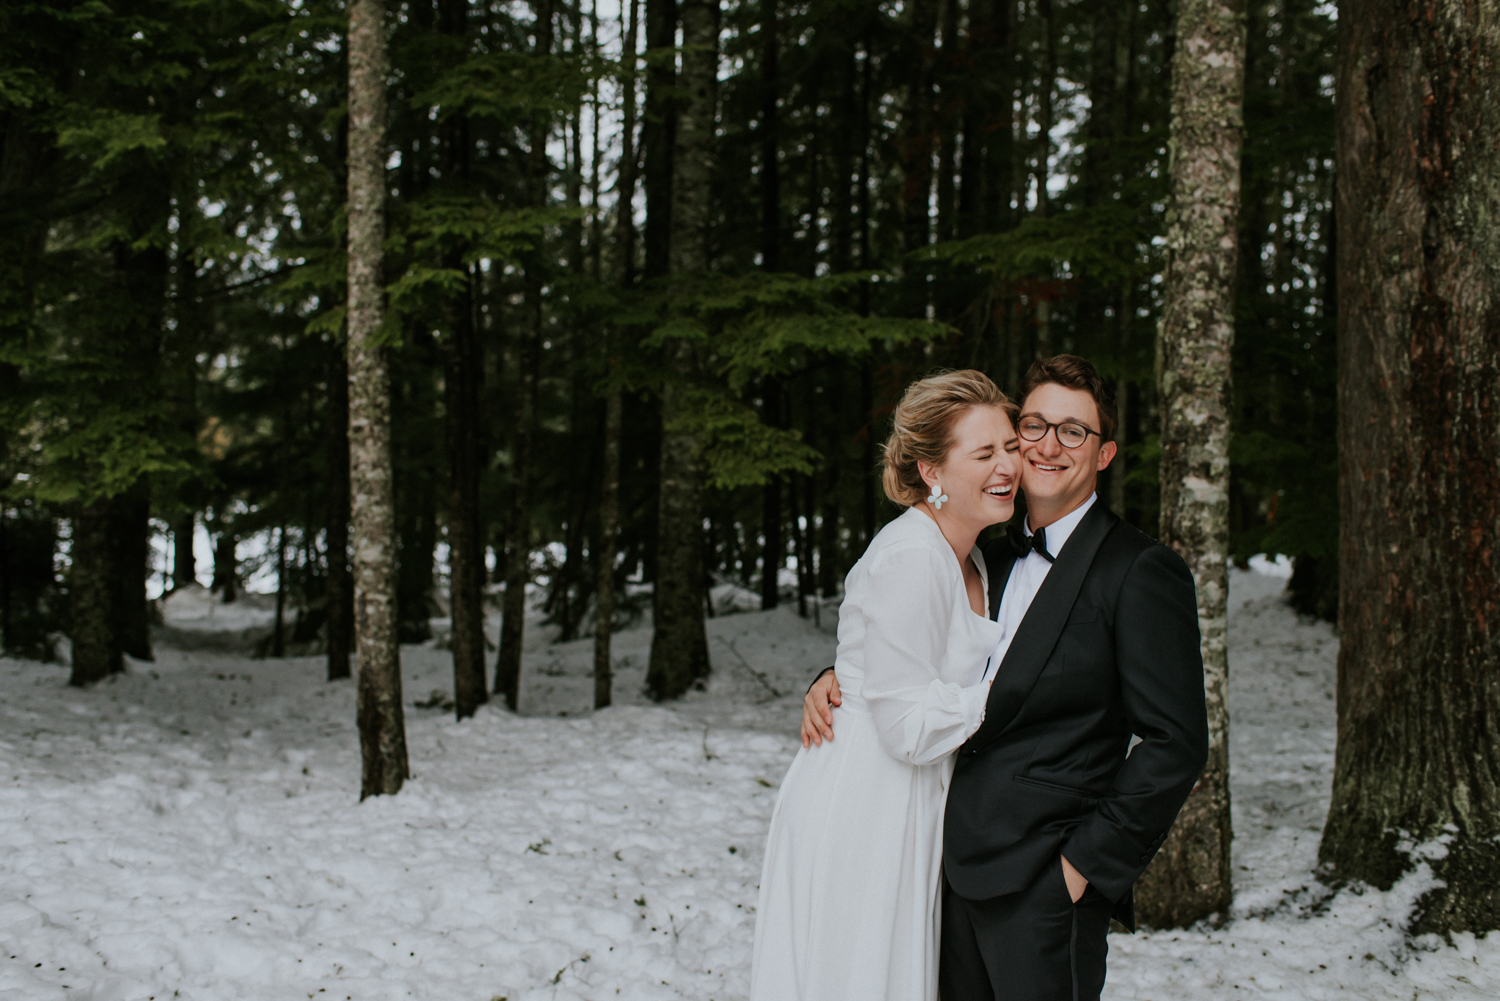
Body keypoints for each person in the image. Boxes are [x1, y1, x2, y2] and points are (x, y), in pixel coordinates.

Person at [802, 354, 1209, 1001]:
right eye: (1034, 425)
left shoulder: (1139, 570)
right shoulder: (983, 548)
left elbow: (1177, 742)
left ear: (1102, 454)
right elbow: (917, 643)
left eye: (1073, 430)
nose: (1048, 445)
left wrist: (1081, 870)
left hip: (1043, 890)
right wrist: (838, 674)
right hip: (939, 872)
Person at [749, 370, 1023, 1001]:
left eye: (1009, 445)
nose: (1007, 464)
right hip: (867, 799)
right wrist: (1021, 685)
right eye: (983, 453)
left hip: (912, 793)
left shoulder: (972, 552)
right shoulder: (912, 555)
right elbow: (906, 727)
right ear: (932, 471)